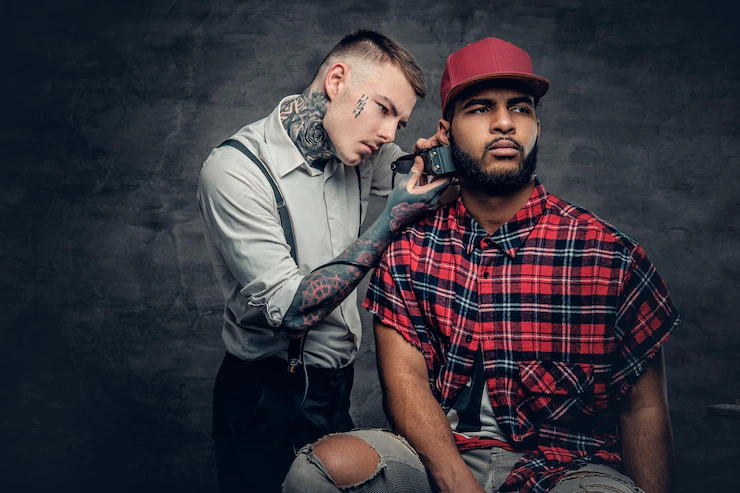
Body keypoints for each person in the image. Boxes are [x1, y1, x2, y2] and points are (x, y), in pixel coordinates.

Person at [281, 37, 680, 493]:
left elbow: (643, 410)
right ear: (445, 134)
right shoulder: (412, 247)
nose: (505, 122)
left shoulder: (609, 256)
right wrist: (456, 484)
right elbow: (404, 383)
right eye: (480, 109)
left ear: (537, 127)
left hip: (568, 470)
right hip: (441, 459)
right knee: (322, 471)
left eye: (522, 109)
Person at [197, 30, 450, 493]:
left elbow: (420, 173)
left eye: (400, 121)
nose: (390, 133)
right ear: (337, 80)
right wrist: (389, 221)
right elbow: (292, 309)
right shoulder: (235, 171)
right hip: (264, 397)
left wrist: (445, 152)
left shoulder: (359, 152)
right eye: (384, 110)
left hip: (335, 390)